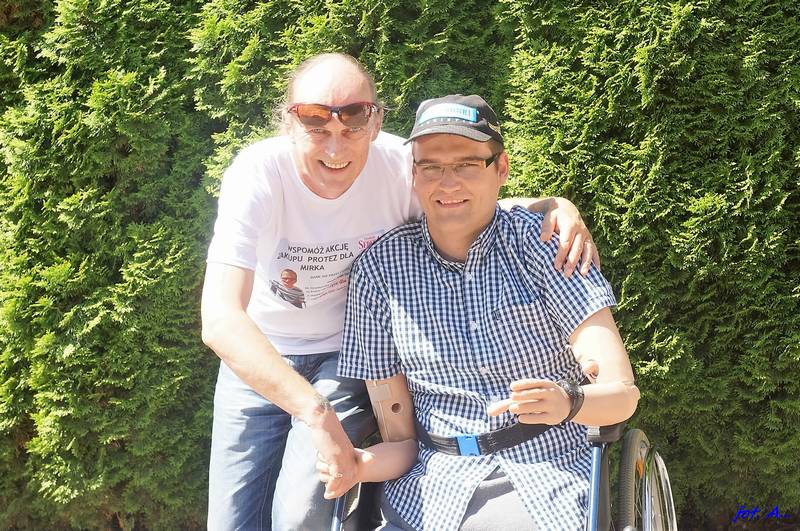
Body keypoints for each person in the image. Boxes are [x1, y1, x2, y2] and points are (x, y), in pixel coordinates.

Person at [201, 53, 601, 531]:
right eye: (316, 125)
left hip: (345, 355)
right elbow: (221, 319)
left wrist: (553, 205)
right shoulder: (258, 174)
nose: (335, 147)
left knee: (302, 507)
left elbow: (462, 197)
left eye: (353, 124)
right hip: (263, 352)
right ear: (289, 123)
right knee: (231, 518)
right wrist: (314, 411)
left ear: (375, 122)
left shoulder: (398, 164)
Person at [327, 94, 640, 530]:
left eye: (467, 165)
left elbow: (623, 395)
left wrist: (567, 402)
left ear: (501, 168)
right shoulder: (380, 270)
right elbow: (402, 441)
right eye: (431, 167)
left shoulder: (547, 247)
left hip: (546, 472)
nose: (447, 183)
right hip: (431, 487)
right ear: (414, 175)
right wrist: (360, 464)